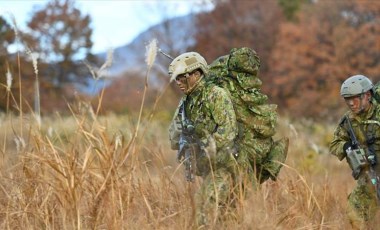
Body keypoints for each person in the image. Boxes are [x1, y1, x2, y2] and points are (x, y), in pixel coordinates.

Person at [168, 52, 247, 227]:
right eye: (176, 78)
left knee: (202, 208)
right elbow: (173, 136)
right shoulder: (185, 103)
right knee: (225, 218)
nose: (179, 82)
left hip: (225, 167)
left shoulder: (215, 95)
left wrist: (204, 145)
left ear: (197, 74)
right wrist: (184, 140)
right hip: (207, 169)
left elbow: (228, 132)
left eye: (183, 77)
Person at [329, 74, 380, 229]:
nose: (351, 103)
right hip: (369, 176)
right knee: (354, 213)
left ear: (368, 95)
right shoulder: (348, 120)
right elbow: (334, 143)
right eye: (347, 99)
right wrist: (346, 147)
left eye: (355, 98)